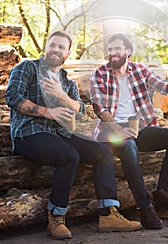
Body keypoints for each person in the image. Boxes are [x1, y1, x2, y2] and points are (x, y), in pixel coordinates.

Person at [6, 30, 142, 240]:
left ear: (67, 53)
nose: (56, 49)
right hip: (29, 133)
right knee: (69, 155)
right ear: (46, 47)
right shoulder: (27, 67)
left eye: (61, 47)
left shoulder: (67, 82)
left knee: (103, 152)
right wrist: (47, 112)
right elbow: (13, 96)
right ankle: (57, 216)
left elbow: (78, 111)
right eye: (53, 45)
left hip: (60, 133)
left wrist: (62, 96)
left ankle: (108, 215)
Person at [89, 33, 168, 230]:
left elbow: (167, 87)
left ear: (128, 51)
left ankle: (162, 193)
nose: (112, 53)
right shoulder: (100, 74)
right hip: (110, 132)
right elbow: (99, 108)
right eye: (110, 50)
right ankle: (146, 207)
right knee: (128, 146)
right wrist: (120, 130)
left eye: (117, 49)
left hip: (139, 129)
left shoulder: (139, 71)